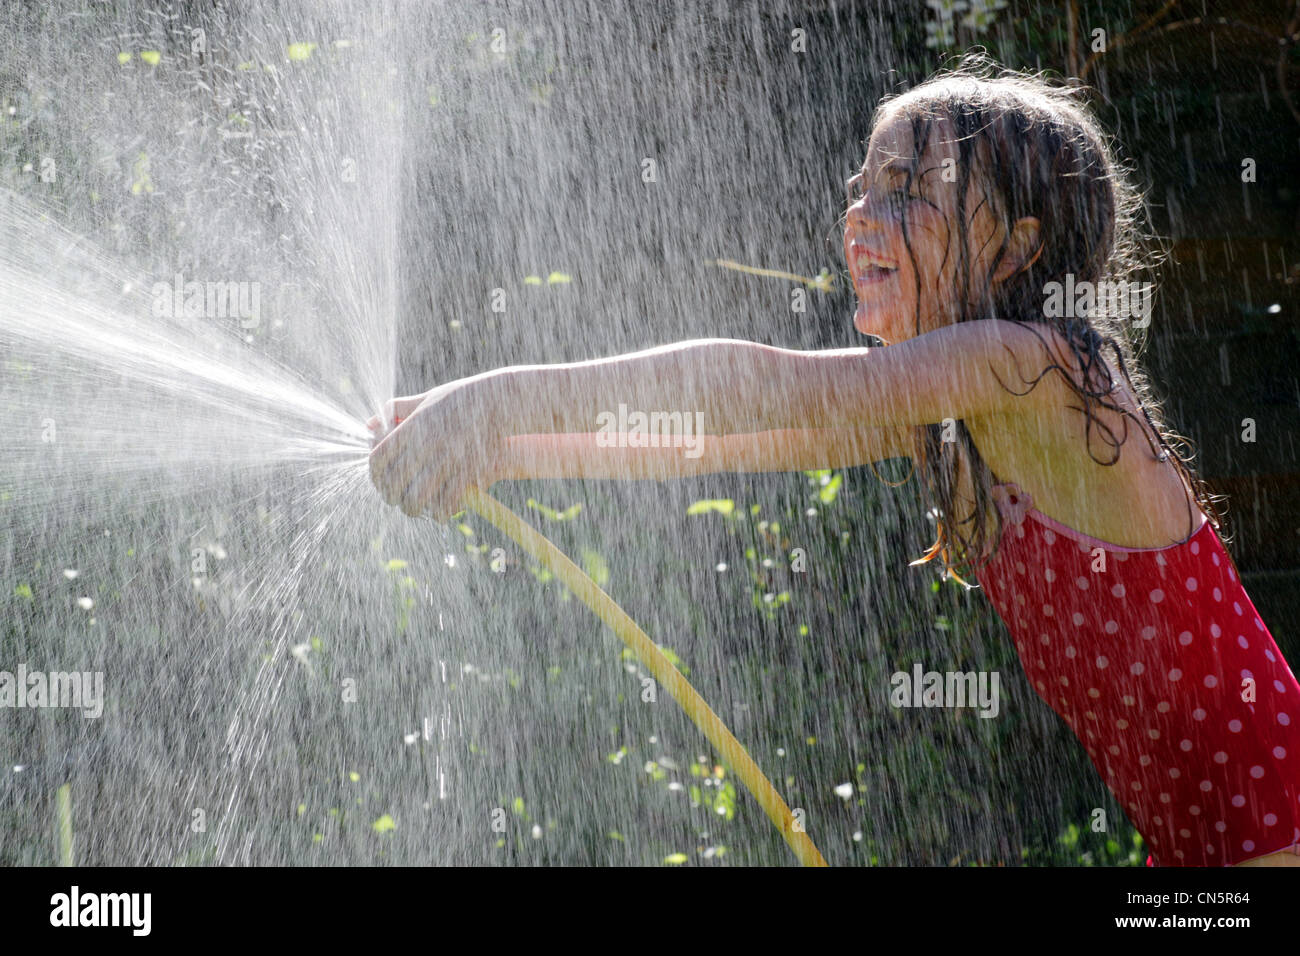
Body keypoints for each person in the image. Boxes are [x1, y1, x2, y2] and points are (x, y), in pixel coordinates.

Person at [369, 54, 1300, 866]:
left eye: (906, 191)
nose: (861, 214)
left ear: (1017, 245)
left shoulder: (1035, 367)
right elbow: (700, 440)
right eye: (862, 186)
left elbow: (764, 387)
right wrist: (499, 450)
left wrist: (490, 401)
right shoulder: (957, 406)